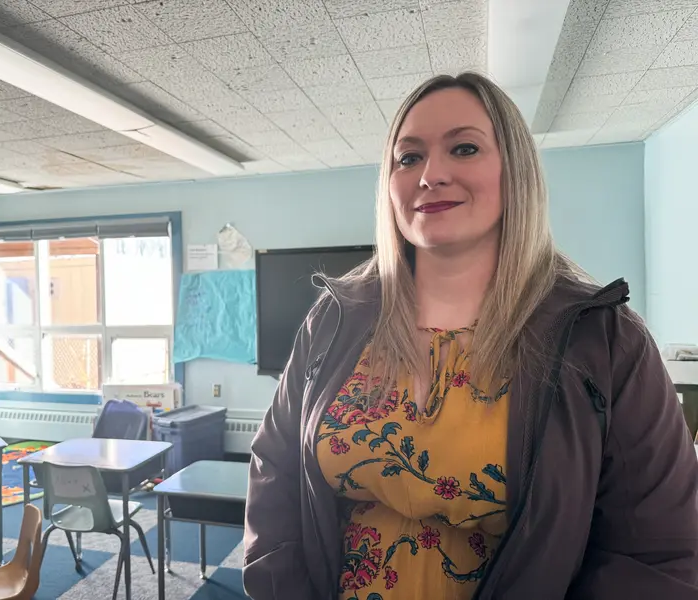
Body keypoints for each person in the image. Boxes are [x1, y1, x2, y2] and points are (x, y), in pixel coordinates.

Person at [242, 71, 698, 600]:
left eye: (463, 148)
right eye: (408, 157)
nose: (431, 174)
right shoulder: (336, 319)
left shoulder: (603, 339)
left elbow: (657, 553)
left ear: (516, 171)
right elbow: (273, 471)